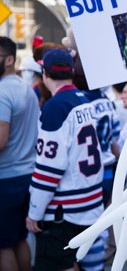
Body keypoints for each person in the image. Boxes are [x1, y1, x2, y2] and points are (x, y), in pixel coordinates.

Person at [26, 48, 104, 271]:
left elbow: (49, 168)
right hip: (90, 202)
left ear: (45, 73)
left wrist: (34, 212)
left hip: (65, 211)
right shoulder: (85, 99)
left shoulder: (55, 107)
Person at [0, 37, 39, 271]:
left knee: (3, 246)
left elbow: (1, 140)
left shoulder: (2, 91)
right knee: (19, 239)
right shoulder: (25, 86)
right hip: (27, 176)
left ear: (10, 59)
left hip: (7, 180)